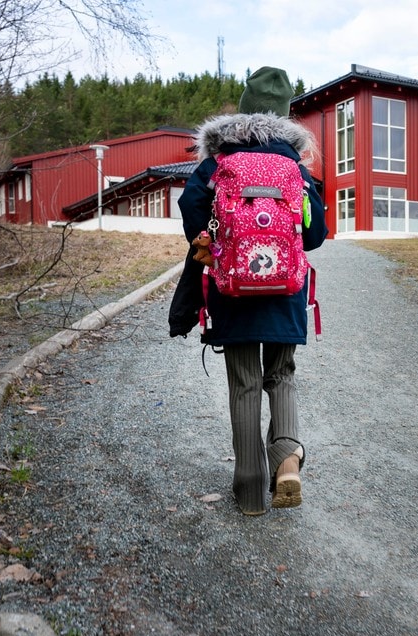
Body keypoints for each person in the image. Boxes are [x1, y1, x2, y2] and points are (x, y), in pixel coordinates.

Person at [168, 66, 327, 516]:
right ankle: (287, 458)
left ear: (242, 108)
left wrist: (221, 240)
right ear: (286, 115)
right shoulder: (294, 168)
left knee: (244, 385)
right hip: (285, 292)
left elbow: (193, 215)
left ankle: (251, 488)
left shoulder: (216, 163)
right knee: (282, 375)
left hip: (231, 291)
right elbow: (314, 235)